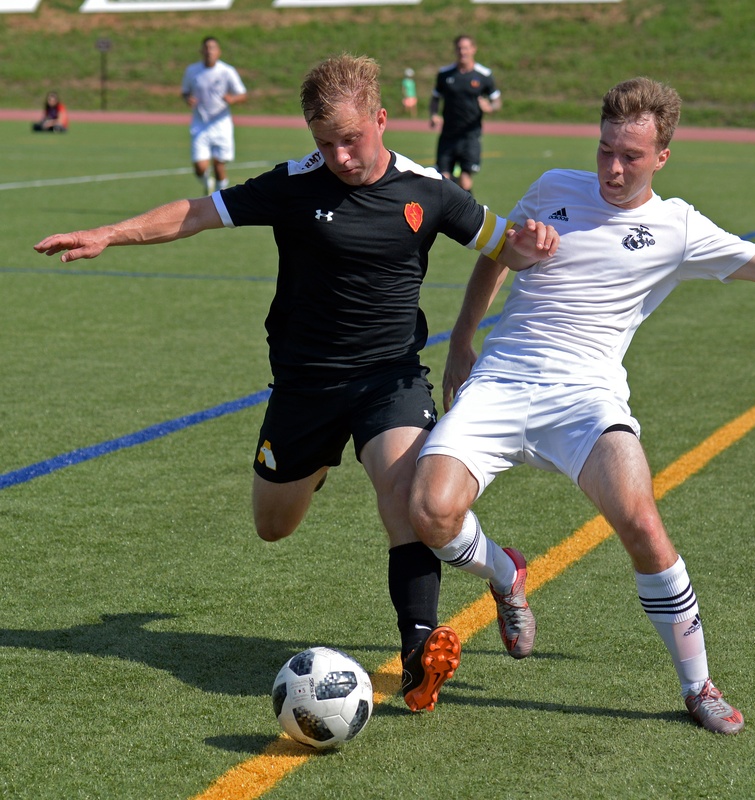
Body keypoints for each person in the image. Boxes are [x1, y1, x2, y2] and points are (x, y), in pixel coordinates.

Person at [408, 76, 755, 734]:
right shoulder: (555, 188)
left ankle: (697, 684)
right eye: (605, 150)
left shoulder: (677, 229)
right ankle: (505, 572)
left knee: (643, 525)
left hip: (585, 396)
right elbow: (499, 254)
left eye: (631, 157)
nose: (613, 168)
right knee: (430, 511)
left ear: (663, 156)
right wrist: (463, 341)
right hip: (503, 379)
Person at [35, 53, 558, 715]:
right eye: (325, 143)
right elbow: (197, 212)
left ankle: (422, 646)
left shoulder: (429, 191)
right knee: (272, 526)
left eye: (352, 139)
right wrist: (109, 233)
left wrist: (495, 294)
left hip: (388, 379)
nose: (340, 155)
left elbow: (501, 247)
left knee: (407, 500)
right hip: (304, 389)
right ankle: (313, 468)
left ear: (381, 119)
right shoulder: (294, 185)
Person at [428, 34, 501, 194]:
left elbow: (496, 101)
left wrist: (490, 107)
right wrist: (433, 114)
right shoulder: (445, 74)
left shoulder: (484, 75)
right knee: (444, 180)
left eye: (466, 48)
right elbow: (435, 97)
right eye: (460, 48)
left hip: (470, 136)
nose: (463, 51)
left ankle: (467, 216)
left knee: (465, 180)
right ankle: (446, 217)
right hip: (448, 135)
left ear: (473, 49)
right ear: (455, 50)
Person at [181, 36, 247, 195]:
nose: (209, 51)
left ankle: (219, 196)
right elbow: (185, 92)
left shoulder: (227, 71)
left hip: (221, 124)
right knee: (200, 167)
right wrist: (188, 99)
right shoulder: (192, 71)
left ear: (219, 52)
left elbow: (242, 94)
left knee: (219, 165)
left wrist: (233, 98)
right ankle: (207, 183)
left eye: (213, 48)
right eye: (206, 48)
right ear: (201, 51)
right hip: (200, 124)